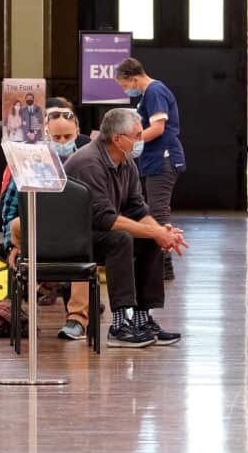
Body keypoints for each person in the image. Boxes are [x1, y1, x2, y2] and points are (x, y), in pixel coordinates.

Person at [64, 108, 188, 348]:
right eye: (138, 135)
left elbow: (138, 208)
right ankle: (119, 325)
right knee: (121, 239)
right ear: (118, 139)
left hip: (97, 232)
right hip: (73, 237)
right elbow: (104, 219)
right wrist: (156, 232)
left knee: (148, 238)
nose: (142, 140)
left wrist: (162, 234)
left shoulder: (126, 162)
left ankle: (142, 319)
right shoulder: (90, 163)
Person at [4, 106, 93, 340]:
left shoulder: (88, 160)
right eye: (56, 137)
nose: (62, 142)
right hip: (37, 229)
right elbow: (10, 208)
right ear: (44, 133)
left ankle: (77, 319)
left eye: (67, 137)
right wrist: (11, 245)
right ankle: (40, 279)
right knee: (15, 225)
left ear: (78, 132)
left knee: (85, 253)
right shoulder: (27, 160)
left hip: (76, 233)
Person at [115, 58, 186, 281]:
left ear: (134, 78)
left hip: (163, 159)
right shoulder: (149, 94)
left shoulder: (155, 91)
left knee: (158, 211)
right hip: (154, 160)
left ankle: (164, 265)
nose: (126, 90)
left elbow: (157, 127)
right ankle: (159, 263)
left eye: (125, 85)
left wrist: (130, 143)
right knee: (156, 209)